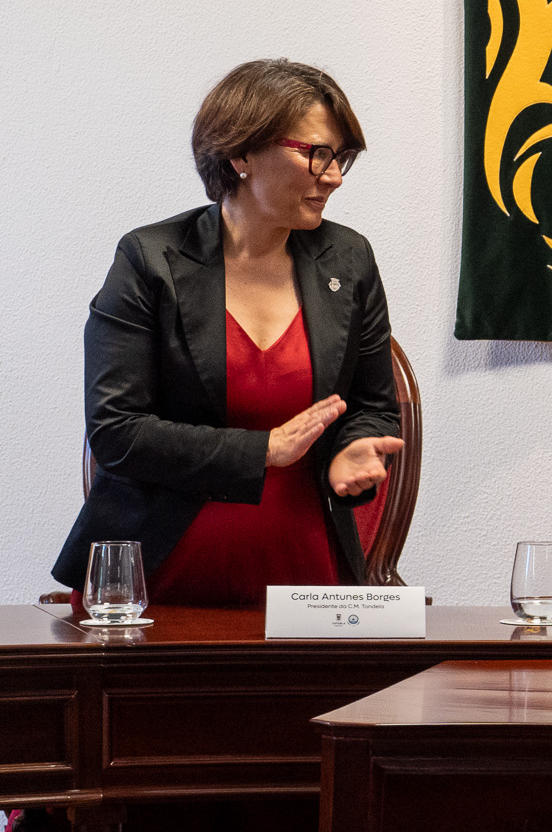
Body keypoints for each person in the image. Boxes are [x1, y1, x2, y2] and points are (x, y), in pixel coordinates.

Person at [50, 59, 404, 603]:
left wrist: (351, 448)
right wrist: (265, 449)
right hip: (154, 578)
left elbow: (372, 405)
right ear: (240, 153)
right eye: (315, 153)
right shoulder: (150, 261)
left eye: (340, 158)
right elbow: (117, 433)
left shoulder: (348, 259)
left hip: (306, 577)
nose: (332, 176)